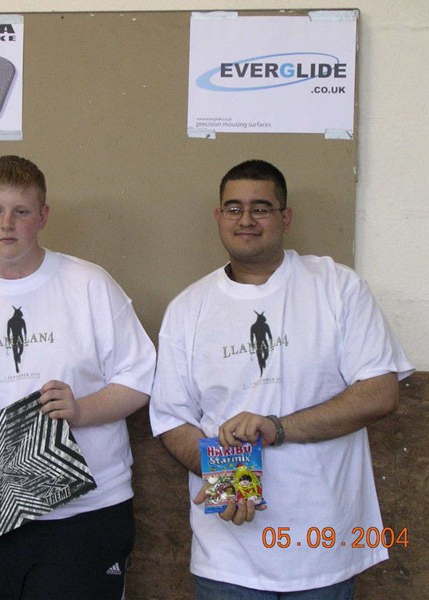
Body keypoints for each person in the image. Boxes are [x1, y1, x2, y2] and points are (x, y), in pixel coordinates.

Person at [149, 159, 413, 599]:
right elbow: (172, 419)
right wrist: (231, 479)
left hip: (324, 550)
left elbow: (380, 393)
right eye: (233, 208)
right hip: (228, 556)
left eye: (261, 208)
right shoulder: (188, 308)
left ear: (285, 217)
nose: (246, 220)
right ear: (218, 216)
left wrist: (277, 427)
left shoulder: (337, 287)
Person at [0, 155, 156, 599]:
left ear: (43, 216)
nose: (7, 224)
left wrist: (81, 410)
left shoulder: (90, 285)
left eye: (21, 211)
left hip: (87, 513)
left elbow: (141, 379)